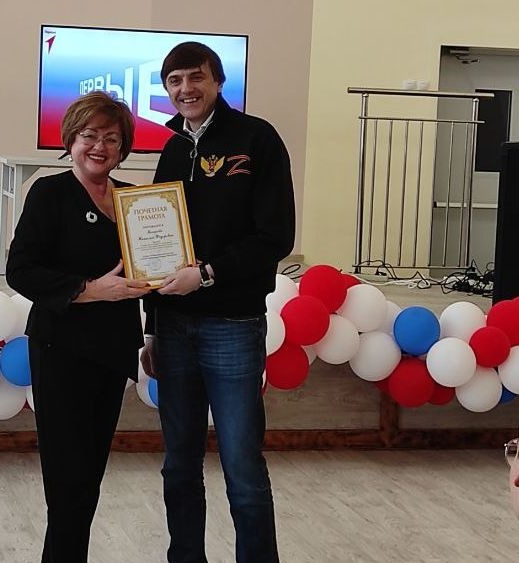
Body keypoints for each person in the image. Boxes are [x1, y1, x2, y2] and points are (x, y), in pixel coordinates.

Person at [141, 42, 295, 563]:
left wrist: (206, 275)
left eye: (196, 77)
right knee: (179, 467)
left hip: (232, 325)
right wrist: (152, 329)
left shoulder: (257, 139)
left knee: (243, 470)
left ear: (218, 81)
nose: (185, 89)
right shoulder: (171, 150)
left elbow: (276, 236)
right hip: (173, 329)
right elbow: (155, 248)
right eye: (175, 80)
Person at [6, 91, 150, 563]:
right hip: (61, 350)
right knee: (67, 482)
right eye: (90, 135)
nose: (99, 147)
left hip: (112, 352)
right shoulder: (49, 193)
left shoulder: (134, 201)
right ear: (71, 139)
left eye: (111, 138)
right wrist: (89, 290)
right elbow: (21, 270)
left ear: (123, 148)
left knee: (88, 479)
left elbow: (153, 270)